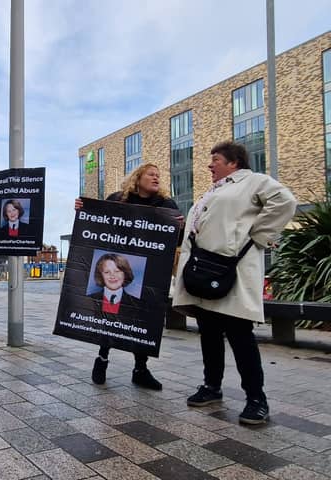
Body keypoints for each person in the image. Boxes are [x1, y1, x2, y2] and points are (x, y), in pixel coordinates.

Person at [173, 141, 296, 425]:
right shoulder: (214, 191)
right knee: (209, 334)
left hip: (233, 271)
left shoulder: (253, 181)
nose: (209, 165)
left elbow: (286, 201)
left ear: (234, 162)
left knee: (241, 338)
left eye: (215, 159)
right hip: (204, 272)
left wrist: (258, 235)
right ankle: (212, 386)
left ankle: (256, 398)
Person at [75, 162, 184, 390]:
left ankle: (140, 369)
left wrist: (179, 226)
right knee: (110, 315)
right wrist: (82, 209)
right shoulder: (118, 199)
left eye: (158, 175)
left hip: (150, 272)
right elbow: (97, 220)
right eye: (151, 175)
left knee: (143, 319)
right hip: (118, 267)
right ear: (138, 178)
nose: (156, 178)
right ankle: (102, 359)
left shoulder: (166, 204)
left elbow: (177, 238)